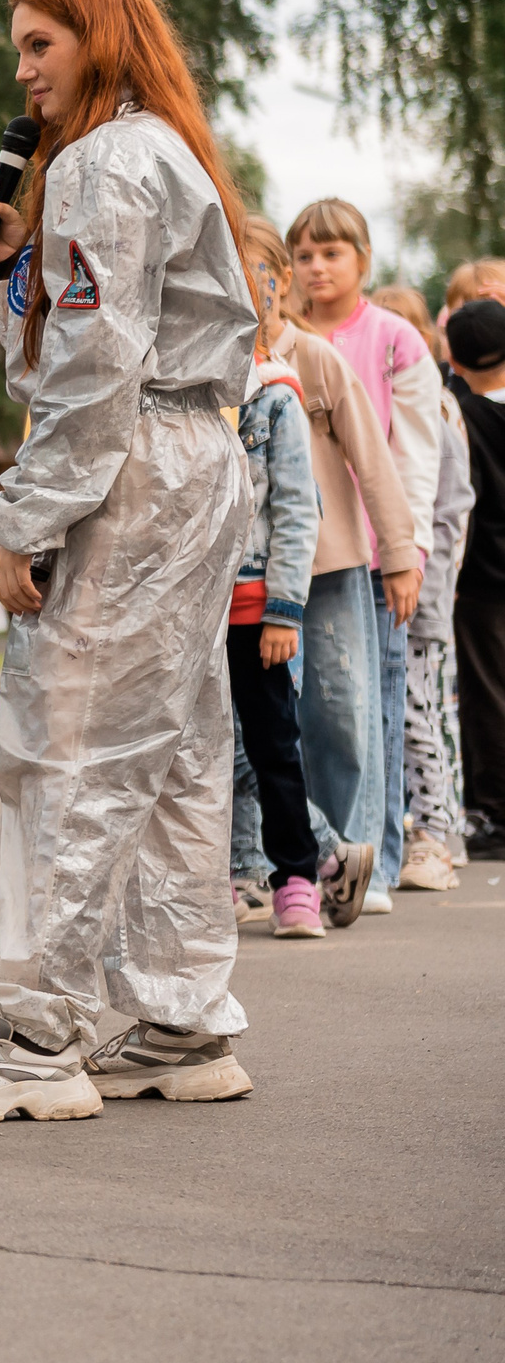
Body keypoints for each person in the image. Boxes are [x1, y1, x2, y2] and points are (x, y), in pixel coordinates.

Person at [0, 0, 260, 1124]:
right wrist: (10, 259)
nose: (23, 70)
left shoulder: (106, 164)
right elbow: (69, 351)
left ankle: (34, 1035)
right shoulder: (153, 150)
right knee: (177, 745)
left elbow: (91, 370)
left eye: (39, 44)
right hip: (190, 459)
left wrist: (24, 520)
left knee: (72, 742)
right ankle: (182, 1014)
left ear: (94, 38)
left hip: (135, 467)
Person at [241, 215, 414, 926]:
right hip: (250, 576)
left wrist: (400, 553)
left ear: (275, 280)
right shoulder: (212, 356)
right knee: (269, 723)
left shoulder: (311, 359)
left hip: (333, 563)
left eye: (255, 268)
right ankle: (274, 863)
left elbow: (371, 455)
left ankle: (357, 859)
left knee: (340, 713)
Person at [289, 201, 436, 910]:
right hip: (299, 548)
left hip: (372, 549)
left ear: (364, 259)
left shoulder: (391, 338)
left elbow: (409, 453)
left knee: (361, 708)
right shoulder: (278, 337)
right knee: (310, 709)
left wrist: (407, 550)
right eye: (305, 255)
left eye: (332, 254)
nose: (316, 267)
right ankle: (319, 860)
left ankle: (373, 860)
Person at [224, 250, 331, 935]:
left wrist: (284, 609)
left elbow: (296, 510)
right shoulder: (188, 393)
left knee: (273, 747)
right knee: (204, 752)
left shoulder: (275, 397)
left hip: (258, 605)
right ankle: (225, 875)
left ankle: (299, 873)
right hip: (192, 606)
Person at [369, 287, 474, 889]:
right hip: (383, 581)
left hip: (423, 591)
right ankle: (419, 825)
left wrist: (435, 578)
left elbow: (452, 506)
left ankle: (436, 830)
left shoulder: (436, 411)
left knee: (418, 713)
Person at [440, 299, 505, 860]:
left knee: (486, 696)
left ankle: (495, 814)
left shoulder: (462, 410)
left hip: (481, 581)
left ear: (455, 360)